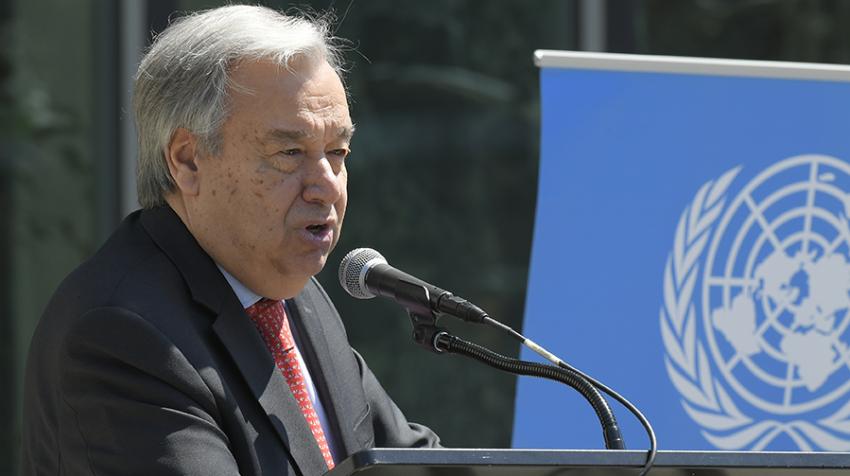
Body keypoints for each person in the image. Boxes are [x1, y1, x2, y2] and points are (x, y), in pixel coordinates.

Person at [21, 5, 440, 475]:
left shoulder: (295, 298)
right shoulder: (122, 335)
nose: (327, 184)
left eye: (337, 152)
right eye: (289, 152)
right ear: (187, 161)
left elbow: (408, 459)